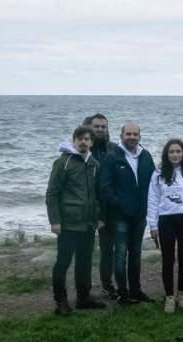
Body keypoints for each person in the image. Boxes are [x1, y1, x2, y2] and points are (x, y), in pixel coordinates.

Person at [46, 126, 107, 315]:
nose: (83, 142)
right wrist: (55, 221)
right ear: (73, 141)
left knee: (85, 262)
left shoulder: (94, 164)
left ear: (91, 142)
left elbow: (98, 195)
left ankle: (83, 297)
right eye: (80, 139)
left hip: (88, 224)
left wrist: (100, 217)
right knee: (63, 262)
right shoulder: (63, 162)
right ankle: (61, 300)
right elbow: (52, 193)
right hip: (68, 224)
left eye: (87, 139)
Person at [98, 122, 156, 305]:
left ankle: (136, 290)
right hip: (120, 216)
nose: (131, 137)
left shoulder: (146, 156)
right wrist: (119, 204)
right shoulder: (112, 157)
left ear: (140, 136)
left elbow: (154, 184)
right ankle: (123, 293)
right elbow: (104, 187)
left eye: (135, 134)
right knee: (120, 255)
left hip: (140, 216)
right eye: (128, 134)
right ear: (121, 136)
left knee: (136, 254)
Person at [147, 139, 183, 313]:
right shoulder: (158, 173)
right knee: (168, 260)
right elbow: (153, 200)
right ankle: (169, 297)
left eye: (178, 151)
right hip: (166, 221)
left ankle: (181, 293)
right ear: (166, 154)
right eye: (171, 152)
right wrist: (153, 225)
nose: (175, 154)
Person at [82, 113, 118, 300]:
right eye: (97, 126)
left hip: (109, 210)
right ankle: (84, 290)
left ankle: (107, 285)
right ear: (89, 127)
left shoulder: (112, 149)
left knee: (108, 250)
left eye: (103, 126)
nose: (100, 130)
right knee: (85, 251)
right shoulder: (82, 151)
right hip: (87, 209)